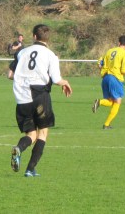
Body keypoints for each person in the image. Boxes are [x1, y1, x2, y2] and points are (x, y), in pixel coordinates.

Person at [7, 24, 73, 177]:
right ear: (48, 38)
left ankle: (19, 148)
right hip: (39, 95)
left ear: (34, 37)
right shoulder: (50, 55)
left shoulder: (22, 52)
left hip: (22, 98)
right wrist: (65, 82)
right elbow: (56, 79)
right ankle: (30, 169)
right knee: (42, 133)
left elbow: (10, 75)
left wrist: (24, 79)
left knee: (31, 135)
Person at [92, 35, 125, 129]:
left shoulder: (110, 51)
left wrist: (101, 67)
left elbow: (100, 62)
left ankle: (100, 103)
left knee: (111, 101)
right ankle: (106, 123)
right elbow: (123, 70)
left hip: (105, 78)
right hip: (115, 79)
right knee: (118, 101)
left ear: (119, 43)